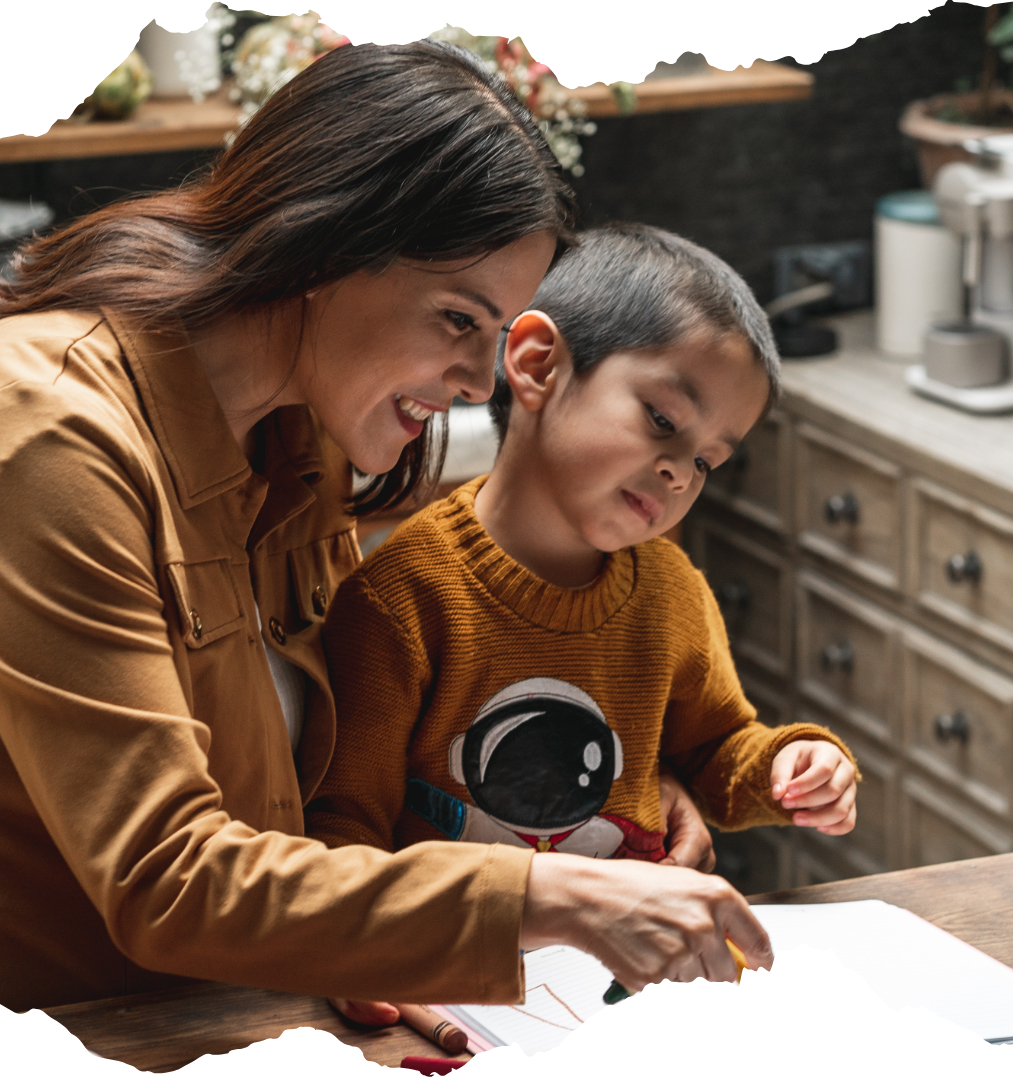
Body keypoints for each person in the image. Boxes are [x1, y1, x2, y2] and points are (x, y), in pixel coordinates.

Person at [0, 42, 770, 1014]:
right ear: (321, 244)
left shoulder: (302, 429)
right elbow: (172, 881)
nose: (479, 381)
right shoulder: (48, 440)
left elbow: (345, 759)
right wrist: (555, 895)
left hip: (254, 1006)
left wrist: (604, 816)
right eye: (458, 318)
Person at [308, 225, 860, 1010]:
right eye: (664, 420)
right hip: (454, 984)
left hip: (620, 979)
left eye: (707, 461)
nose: (678, 471)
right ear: (537, 365)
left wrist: (790, 766)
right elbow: (343, 830)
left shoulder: (672, 591)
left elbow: (715, 751)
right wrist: (365, 965)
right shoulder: (401, 598)